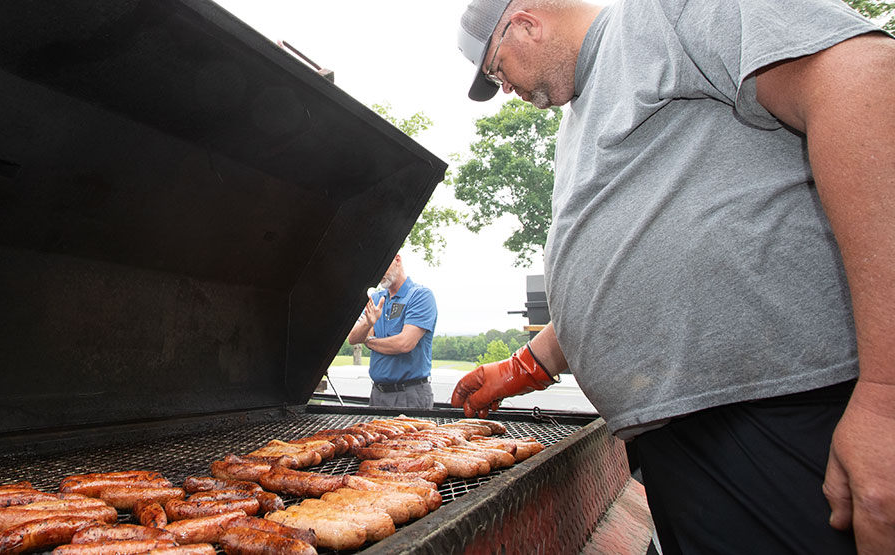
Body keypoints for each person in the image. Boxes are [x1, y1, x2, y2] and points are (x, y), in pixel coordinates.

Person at [449, 0, 895, 553]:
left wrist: (886, 393)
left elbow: (858, 75)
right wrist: (528, 366)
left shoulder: (663, 12)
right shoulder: (577, 122)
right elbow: (632, 271)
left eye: (497, 70)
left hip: (775, 414)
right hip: (682, 445)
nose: (506, 88)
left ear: (526, 23)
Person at [347, 253, 437, 409]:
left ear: (397, 259)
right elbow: (353, 338)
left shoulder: (420, 296)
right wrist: (368, 324)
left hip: (410, 395)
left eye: (383, 266)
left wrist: (369, 341)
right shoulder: (376, 299)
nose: (379, 273)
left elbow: (404, 344)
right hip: (377, 394)